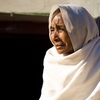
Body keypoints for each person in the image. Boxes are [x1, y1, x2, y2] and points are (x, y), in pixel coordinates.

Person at [39, 4, 100, 100]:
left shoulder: (97, 56)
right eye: (52, 30)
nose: (54, 37)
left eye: (61, 29)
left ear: (80, 30)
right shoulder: (51, 59)